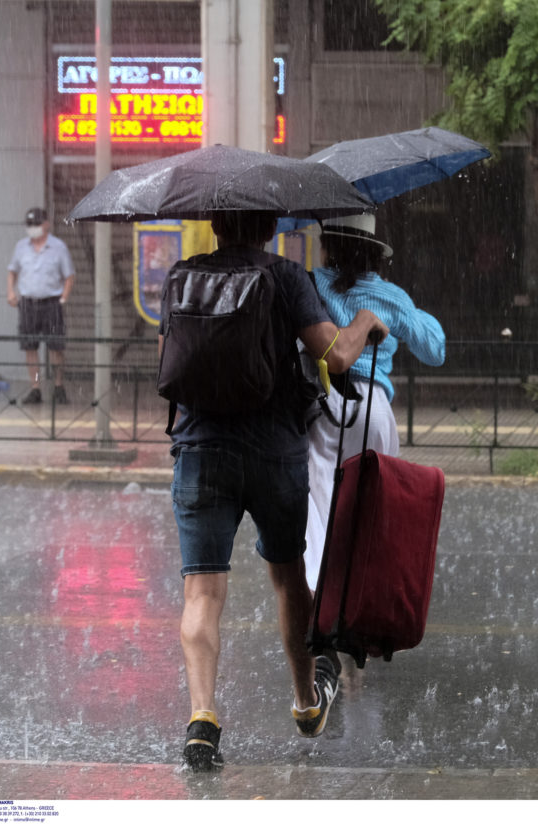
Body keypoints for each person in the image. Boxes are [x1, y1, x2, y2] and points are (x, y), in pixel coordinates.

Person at [162, 210, 389, 772]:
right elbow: (336, 356)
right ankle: (306, 700)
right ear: (269, 228)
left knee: (202, 593)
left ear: (215, 225)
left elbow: (178, 360)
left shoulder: (183, 276)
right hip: (273, 452)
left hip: (200, 449)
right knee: (288, 580)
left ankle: (202, 718)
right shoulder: (286, 276)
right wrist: (365, 320)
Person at [304, 214, 446, 589]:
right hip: (374, 408)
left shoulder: (312, 285)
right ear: (374, 254)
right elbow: (435, 350)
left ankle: (321, 592)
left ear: (328, 247)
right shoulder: (390, 296)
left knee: (319, 502)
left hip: (325, 402)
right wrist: (403, 309)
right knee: (371, 507)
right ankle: (365, 595)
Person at [6, 207, 75, 404]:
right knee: (30, 348)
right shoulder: (21, 247)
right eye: (30, 225)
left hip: (51, 302)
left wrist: (63, 298)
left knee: (56, 347)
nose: (33, 228)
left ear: (46, 224)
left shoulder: (58, 247)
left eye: (36, 224)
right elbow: (12, 271)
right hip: (28, 303)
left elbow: (69, 276)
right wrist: (11, 291)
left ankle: (58, 385)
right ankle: (35, 386)